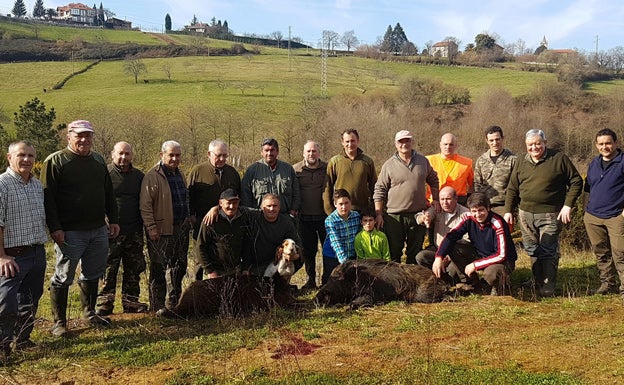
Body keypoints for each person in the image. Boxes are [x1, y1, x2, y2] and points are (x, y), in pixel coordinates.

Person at [41, 120, 119, 337]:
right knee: (63, 275)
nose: (84, 140)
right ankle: (59, 323)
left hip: (97, 230)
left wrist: (113, 219)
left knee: (93, 273)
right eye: (79, 136)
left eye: (88, 136)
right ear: (69, 137)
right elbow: (48, 199)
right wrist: (55, 228)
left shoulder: (98, 160)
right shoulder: (56, 161)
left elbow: (108, 193)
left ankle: (89, 312)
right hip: (69, 232)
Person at [504, 129, 582, 297]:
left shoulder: (559, 159)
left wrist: (568, 205)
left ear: (545, 143)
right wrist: (508, 211)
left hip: (551, 214)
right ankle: (537, 280)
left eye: (538, 143)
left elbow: (576, 181)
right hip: (525, 214)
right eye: (530, 144)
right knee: (532, 248)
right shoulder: (520, 161)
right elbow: (512, 188)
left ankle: (548, 285)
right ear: (526, 146)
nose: (534, 147)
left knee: (548, 248)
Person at [0, 141, 47, 358]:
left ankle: (23, 340)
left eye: (30, 155)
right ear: (9, 157)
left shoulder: (37, 185)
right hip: (12, 255)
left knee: (30, 298)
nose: (26, 159)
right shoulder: (2, 184)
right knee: (6, 301)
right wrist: (1, 257)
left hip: (36, 251)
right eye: (21, 155)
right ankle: (3, 346)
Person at [96, 142, 148, 316]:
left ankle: (130, 302)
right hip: (110, 232)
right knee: (109, 269)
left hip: (134, 230)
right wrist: (104, 222)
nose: (123, 157)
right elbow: (97, 202)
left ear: (132, 155)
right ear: (112, 154)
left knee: (133, 268)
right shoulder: (104, 174)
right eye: (120, 153)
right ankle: (105, 303)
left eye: (127, 154)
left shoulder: (139, 176)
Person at [374, 130, 440, 264]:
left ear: (412, 142)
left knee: (415, 252)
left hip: (418, 214)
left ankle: (412, 282)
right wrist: (379, 214)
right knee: (394, 251)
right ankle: (396, 283)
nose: (404, 144)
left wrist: (436, 200)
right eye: (401, 141)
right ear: (395, 144)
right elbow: (380, 190)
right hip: (394, 216)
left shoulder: (423, 161)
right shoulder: (388, 165)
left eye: (407, 140)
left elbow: (433, 180)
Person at [140, 141, 190, 313]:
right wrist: (151, 227)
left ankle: (173, 304)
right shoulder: (152, 176)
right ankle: (157, 306)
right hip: (161, 230)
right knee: (159, 268)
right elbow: (145, 205)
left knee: (179, 267)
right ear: (162, 155)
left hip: (180, 228)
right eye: (171, 155)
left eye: (177, 155)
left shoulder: (180, 174)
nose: (175, 159)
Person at [433, 192, 517, 295]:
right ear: (469, 210)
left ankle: (499, 285)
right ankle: (472, 283)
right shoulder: (468, 218)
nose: (477, 215)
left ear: (488, 208)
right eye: (474, 211)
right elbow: (450, 236)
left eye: (481, 210)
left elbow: (502, 255)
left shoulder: (498, 223)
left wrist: (475, 265)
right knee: (454, 246)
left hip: (502, 261)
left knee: (492, 274)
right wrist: (439, 257)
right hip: (480, 254)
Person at [187, 139, 241, 280]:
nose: (222, 159)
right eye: (218, 155)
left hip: (226, 223)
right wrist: (192, 216)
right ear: (209, 154)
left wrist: (218, 209)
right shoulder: (197, 171)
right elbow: (188, 196)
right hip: (202, 221)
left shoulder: (232, 173)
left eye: (225, 155)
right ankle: (197, 292)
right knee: (201, 258)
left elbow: (238, 197)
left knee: (223, 256)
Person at [583, 128, 624, 300]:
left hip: (616, 215)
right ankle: (607, 283)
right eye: (601, 144)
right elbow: (588, 188)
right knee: (601, 252)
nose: (605, 147)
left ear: (616, 143)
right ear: (596, 145)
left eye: (608, 143)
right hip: (593, 216)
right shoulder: (594, 163)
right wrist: (586, 211)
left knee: (620, 253)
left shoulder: (622, 162)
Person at [415, 186, 470, 283]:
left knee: (452, 272)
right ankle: (434, 281)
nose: (445, 203)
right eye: (442, 199)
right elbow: (421, 216)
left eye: (448, 199)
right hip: (438, 250)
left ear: (456, 199)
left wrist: (448, 257)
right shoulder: (437, 208)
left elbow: (466, 241)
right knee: (421, 257)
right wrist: (423, 218)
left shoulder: (465, 213)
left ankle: (466, 282)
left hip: (456, 253)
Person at [293, 140, 327, 289]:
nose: (311, 154)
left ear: (319, 153)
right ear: (303, 153)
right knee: (309, 251)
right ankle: (311, 280)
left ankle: (327, 280)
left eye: (314, 151)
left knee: (328, 250)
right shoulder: (295, 170)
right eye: (308, 151)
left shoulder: (328, 168)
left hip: (324, 217)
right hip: (304, 218)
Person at [195, 189, 250, 278]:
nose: (232, 206)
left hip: (236, 271)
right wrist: (210, 270)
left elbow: (247, 246)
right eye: (228, 203)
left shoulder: (243, 219)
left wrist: (245, 268)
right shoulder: (210, 220)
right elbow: (200, 247)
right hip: (216, 272)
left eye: (235, 203)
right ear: (220, 203)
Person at [243, 193, 300, 276]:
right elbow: (236, 208)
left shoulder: (286, 221)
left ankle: (284, 280)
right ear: (262, 207)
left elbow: (298, 242)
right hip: (258, 262)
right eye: (268, 206)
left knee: (300, 256)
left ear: (279, 207)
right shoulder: (254, 217)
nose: (272, 209)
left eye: (275, 206)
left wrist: (295, 256)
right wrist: (217, 208)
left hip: (278, 260)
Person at [241, 138, 299, 216]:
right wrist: (250, 215)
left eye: (272, 150)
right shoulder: (252, 170)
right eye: (266, 150)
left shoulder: (288, 169)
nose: (269, 153)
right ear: (261, 152)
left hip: (284, 217)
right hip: (260, 218)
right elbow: (245, 195)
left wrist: (293, 210)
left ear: (277, 152)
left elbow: (296, 192)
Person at [324, 129, 376, 214]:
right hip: (341, 211)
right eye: (347, 141)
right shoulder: (335, 161)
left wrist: (372, 209)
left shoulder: (367, 161)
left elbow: (374, 187)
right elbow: (327, 188)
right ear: (342, 142)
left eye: (353, 141)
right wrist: (330, 211)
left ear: (358, 141)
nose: (350, 144)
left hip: (363, 211)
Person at [474, 126, 517, 216]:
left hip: (505, 207)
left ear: (502, 138)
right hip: (485, 207)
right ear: (487, 141)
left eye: (497, 139)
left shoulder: (513, 159)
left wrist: (511, 209)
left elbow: (516, 185)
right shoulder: (481, 160)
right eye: (491, 140)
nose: (495, 143)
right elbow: (477, 184)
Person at [322, 189, 361, 284]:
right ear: (335, 204)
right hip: (333, 256)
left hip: (351, 254)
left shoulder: (356, 216)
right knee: (332, 282)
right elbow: (336, 243)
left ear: (350, 202)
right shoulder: (330, 220)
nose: (344, 207)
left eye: (346, 203)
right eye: (340, 204)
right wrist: (345, 263)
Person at [426, 133, 474, 205]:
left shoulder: (466, 163)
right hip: (434, 201)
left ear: (456, 146)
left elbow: (472, 185)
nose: (448, 147)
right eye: (445, 144)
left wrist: (469, 200)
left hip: (459, 202)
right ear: (440, 145)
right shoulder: (428, 160)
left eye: (451, 144)